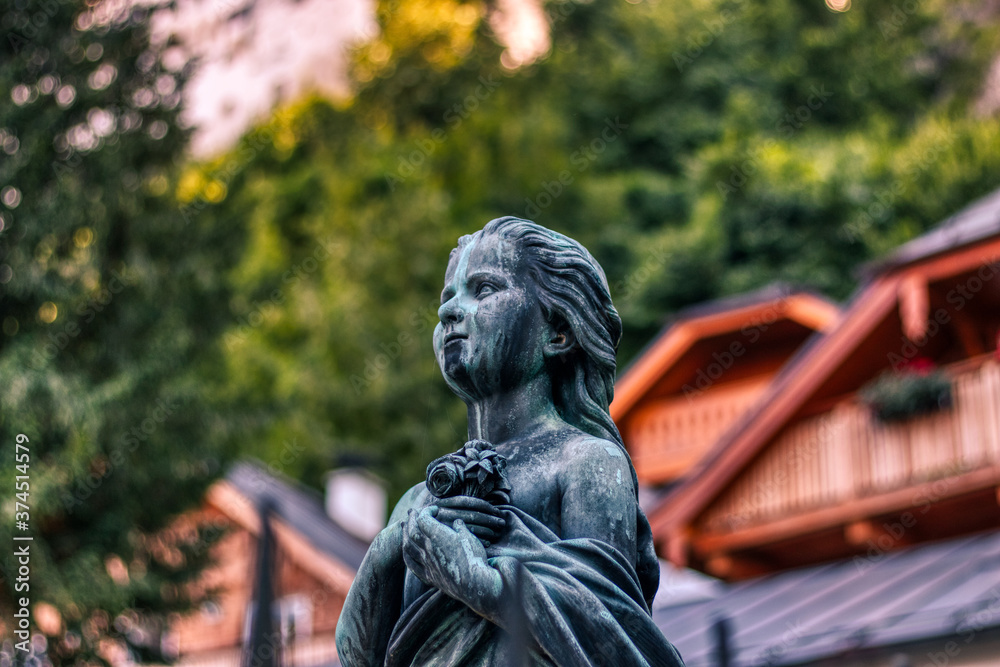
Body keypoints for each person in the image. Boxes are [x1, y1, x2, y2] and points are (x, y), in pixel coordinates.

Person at [336, 217, 685, 666]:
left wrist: (477, 582)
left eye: (483, 290)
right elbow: (358, 659)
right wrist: (392, 548)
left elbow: (615, 639)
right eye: (448, 298)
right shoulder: (418, 501)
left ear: (557, 333)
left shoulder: (586, 464)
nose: (449, 312)